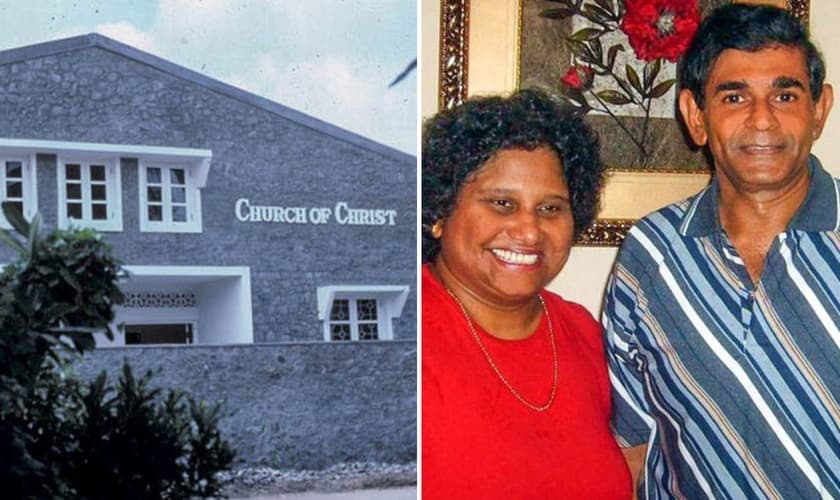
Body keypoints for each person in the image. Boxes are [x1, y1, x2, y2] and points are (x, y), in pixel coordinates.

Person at [603, 4, 840, 498]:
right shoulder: (649, 254)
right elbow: (631, 441)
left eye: (785, 94)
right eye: (735, 96)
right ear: (696, 116)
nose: (761, 119)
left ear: (819, 110)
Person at [422, 88, 632, 498]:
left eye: (550, 208)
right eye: (502, 203)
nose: (530, 230)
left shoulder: (583, 332)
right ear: (439, 213)